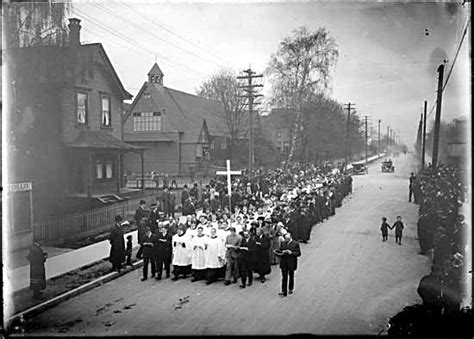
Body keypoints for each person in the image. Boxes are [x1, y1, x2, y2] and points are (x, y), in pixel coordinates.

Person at [276, 232, 301, 297]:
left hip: (291, 263)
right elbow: (280, 250)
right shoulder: (283, 243)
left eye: (288, 238)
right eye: (286, 238)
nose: (286, 240)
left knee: (291, 276)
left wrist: (291, 253)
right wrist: (282, 252)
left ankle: (290, 288)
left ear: (290, 238)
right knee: (284, 277)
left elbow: (298, 253)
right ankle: (283, 291)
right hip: (284, 262)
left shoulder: (295, 244)